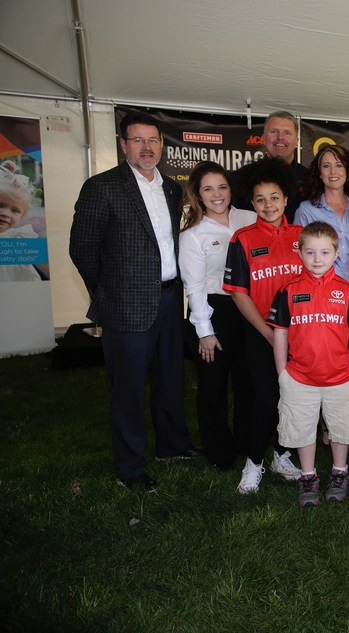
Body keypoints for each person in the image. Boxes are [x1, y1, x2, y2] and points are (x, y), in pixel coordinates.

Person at [69, 111, 199, 491]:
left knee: (170, 378)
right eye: (138, 140)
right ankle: (130, 467)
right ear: (123, 145)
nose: (147, 148)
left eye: (153, 140)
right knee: (127, 390)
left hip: (170, 300)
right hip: (125, 306)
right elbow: (83, 249)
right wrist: (109, 291)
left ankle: (172, 446)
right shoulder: (102, 187)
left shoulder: (173, 189)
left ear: (161, 145)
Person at [268, 221, 349, 506]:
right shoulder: (288, 290)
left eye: (325, 253)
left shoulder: (346, 291)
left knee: (341, 426)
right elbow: (280, 333)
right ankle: (308, 476)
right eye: (310, 252)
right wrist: (282, 373)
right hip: (299, 377)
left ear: (336, 253)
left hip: (340, 376)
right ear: (299, 253)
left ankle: (340, 472)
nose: (317, 260)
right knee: (302, 427)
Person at [223, 156, 304, 493]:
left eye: (274, 197)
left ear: (286, 199)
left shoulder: (303, 235)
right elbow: (240, 295)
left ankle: (282, 455)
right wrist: (270, 334)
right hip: (261, 334)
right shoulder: (242, 238)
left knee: (295, 399)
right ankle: (253, 463)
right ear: (251, 203)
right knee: (266, 399)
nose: (268, 205)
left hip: (300, 335)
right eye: (260, 199)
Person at [179, 161, 257, 470]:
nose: (217, 194)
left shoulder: (249, 218)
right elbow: (193, 286)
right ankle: (220, 454)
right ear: (198, 194)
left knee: (248, 382)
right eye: (208, 189)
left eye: (222, 187)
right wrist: (204, 331)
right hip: (214, 311)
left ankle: (247, 443)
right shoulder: (193, 235)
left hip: (249, 308)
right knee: (212, 386)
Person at [295, 144, 349, 285]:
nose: (333, 171)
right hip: (321, 292)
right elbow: (297, 255)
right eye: (326, 166)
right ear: (319, 173)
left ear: (347, 171)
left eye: (339, 165)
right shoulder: (306, 210)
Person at [232, 111, 307, 223]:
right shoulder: (242, 178)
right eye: (273, 132)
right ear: (263, 138)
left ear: (297, 141)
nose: (280, 137)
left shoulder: (310, 179)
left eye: (287, 133)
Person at [0, 160, 43, 282]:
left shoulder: (19, 237)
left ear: (22, 216)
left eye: (15, 211)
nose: (5, 214)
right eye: (1, 205)